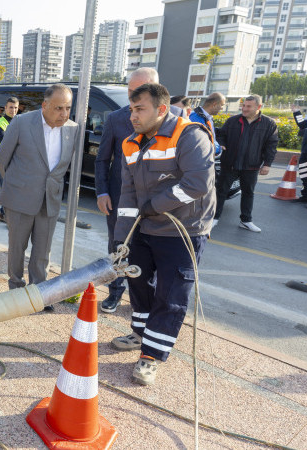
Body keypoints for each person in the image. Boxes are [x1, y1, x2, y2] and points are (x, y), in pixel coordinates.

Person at [111, 83, 215, 386]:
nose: (132, 116)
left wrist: (155, 205)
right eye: (131, 109)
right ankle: (141, 333)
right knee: (138, 281)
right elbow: (128, 194)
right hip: (146, 227)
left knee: (171, 295)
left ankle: (151, 355)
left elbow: (197, 184)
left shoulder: (190, 135)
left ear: (161, 109)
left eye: (139, 109)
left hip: (183, 230)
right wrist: (122, 238)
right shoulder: (131, 144)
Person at [94, 67, 188, 314]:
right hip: (121, 198)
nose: (133, 98)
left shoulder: (179, 117)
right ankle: (115, 292)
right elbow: (103, 159)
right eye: (130, 91)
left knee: (155, 252)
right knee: (119, 247)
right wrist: (102, 192)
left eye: (139, 92)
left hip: (161, 203)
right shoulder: (116, 118)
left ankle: (148, 301)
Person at [0, 85, 77, 312]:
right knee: (17, 247)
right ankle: (15, 289)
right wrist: (19, 185)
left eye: (68, 108)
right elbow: (3, 159)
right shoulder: (22, 123)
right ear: (44, 106)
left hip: (50, 199)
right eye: (58, 108)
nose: (64, 114)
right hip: (19, 197)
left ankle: (39, 292)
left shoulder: (72, 129)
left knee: (43, 250)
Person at [214, 95, 278, 232]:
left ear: (258, 107)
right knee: (221, 192)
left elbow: (271, 145)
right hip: (230, 164)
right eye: (244, 106)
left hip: (251, 166)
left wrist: (267, 164)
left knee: (248, 193)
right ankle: (214, 218)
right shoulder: (232, 121)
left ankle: (246, 221)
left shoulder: (269, 124)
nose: (244, 109)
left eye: (248, 106)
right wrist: (222, 144)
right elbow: (220, 135)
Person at [0, 96, 19, 223]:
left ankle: (3, 214)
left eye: (15, 108)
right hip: (2, 161)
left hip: (16, 161)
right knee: (7, 188)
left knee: (11, 188)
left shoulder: (19, 122)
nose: (13, 110)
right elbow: (5, 141)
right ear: (5, 108)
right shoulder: (0, 122)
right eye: (11, 107)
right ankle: (5, 214)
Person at [189, 92, 226, 157]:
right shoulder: (195, 117)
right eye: (222, 105)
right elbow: (202, 142)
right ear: (214, 104)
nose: (222, 108)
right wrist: (218, 149)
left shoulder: (207, 118)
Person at [291, 104, 307, 204]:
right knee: (304, 174)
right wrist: (296, 112)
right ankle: (306, 196)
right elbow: (302, 125)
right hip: (306, 151)